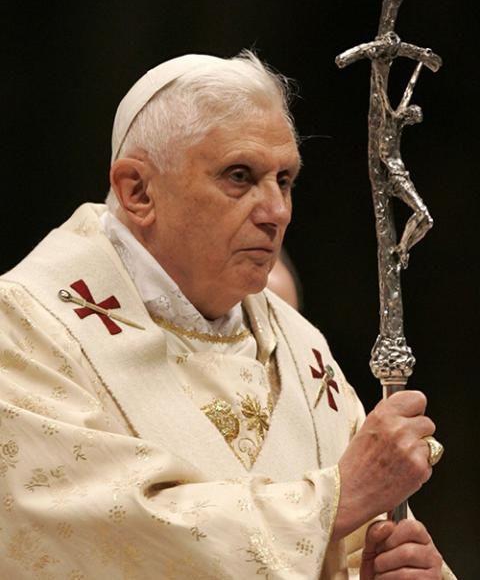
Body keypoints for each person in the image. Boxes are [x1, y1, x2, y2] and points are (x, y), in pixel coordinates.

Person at [0, 51, 455, 579]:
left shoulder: (302, 352)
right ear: (137, 191)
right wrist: (328, 502)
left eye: (284, 180)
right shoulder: (26, 332)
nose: (277, 211)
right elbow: (89, 534)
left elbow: (358, 546)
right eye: (241, 176)